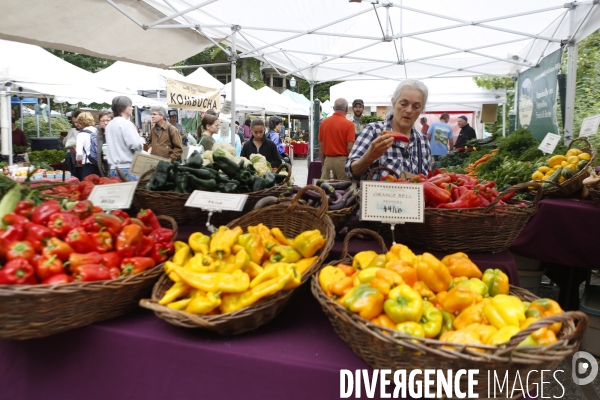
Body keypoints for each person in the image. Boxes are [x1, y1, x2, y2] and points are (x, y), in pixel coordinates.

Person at [346, 79, 432, 181]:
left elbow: (427, 182)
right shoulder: (373, 131)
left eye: (416, 107)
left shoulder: (423, 142)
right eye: (403, 104)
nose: (409, 110)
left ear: (421, 109)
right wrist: (369, 157)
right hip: (378, 197)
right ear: (394, 102)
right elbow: (351, 172)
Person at [105, 96, 143, 180]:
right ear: (123, 109)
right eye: (130, 106)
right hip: (128, 169)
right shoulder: (126, 124)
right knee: (132, 193)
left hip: (113, 169)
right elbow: (136, 145)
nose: (132, 108)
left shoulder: (109, 125)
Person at [318, 98, 356, 181]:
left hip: (327, 160)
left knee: (326, 189)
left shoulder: (324, 123)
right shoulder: (349, 124)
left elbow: (321, 147)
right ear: (346, 109)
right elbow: (349, 147)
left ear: (333, 108)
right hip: (342, 161)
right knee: (345, 190)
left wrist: (323, 165)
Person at [75, 111, 100, 179]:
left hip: (88, 164)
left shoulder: (81, 134)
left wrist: (78, 160)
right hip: (99, 163)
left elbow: (79, 153)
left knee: (88, 185)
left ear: (80, 122)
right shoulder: (97, 131)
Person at [95, 110, 113, 177]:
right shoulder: (99, 135)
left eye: (108, 120)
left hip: (115, 166)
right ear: (99, 122)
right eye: (102, 121)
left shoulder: (116, 134)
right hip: (104, 167)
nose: (105, 123)